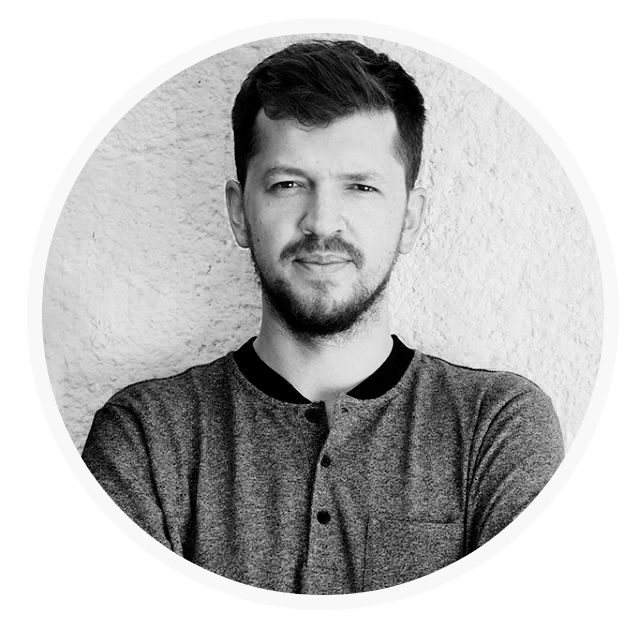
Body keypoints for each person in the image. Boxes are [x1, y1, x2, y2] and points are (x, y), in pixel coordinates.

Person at [82, 39, 565, 594]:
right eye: (288, 184)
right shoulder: (145, 437)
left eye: (360, 186)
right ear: (240, 213)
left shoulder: (498, 428)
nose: (323, 222)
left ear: (410, 219)